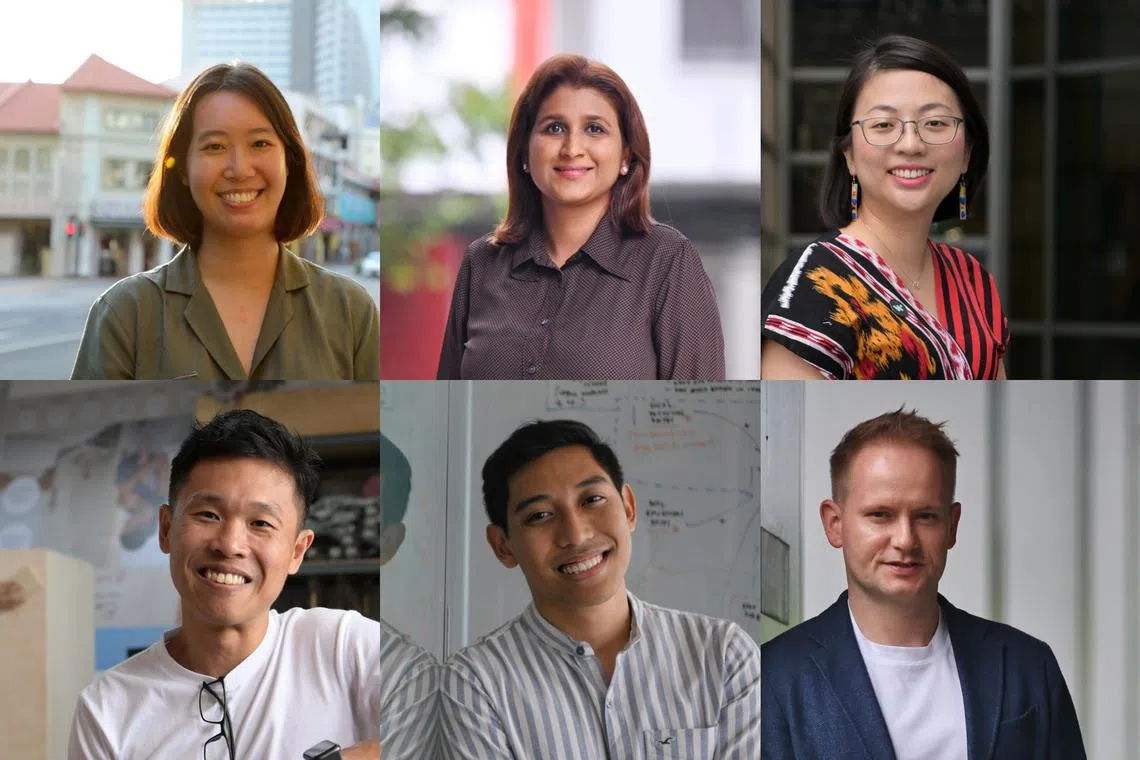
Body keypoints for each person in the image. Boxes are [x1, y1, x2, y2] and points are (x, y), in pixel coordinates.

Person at [67, 409, 435, 759]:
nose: (229, 544)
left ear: (296, 551)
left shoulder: (342, 646)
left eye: (261, 523)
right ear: (166, 529)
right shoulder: (107, 709)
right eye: (208, 515)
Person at [761, 409, 1085, 759]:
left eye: (925, 516)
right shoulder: (773, 676)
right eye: (880, 515)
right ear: (835, 523)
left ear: (952, 525)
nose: (905, 539)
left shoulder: (1028, 665)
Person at [440, 420, 759, 758]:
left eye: (592, 499)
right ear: (503, 546)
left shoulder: (723, 654)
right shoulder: (474, 684)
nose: (576, 535)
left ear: (629, 508)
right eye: (540, 516)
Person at [71, 62, 379, 381]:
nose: (239, 169)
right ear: (182, 169)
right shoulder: (125, 313)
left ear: (290, 160)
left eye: (260, 143)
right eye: (214, 146)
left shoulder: (351, 311)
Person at [436, 54, 725, 380]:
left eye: (594, 129)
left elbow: (699, 414)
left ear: (626, 156)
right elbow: (446, 406)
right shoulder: (482, 262)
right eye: (554, 128)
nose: (572, 148)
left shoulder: (667, 260)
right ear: (525, 152)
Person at [761, 36, 1008, 380]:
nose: (910, 144)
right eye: (883, 125)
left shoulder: (973, 280)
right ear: (849, 156)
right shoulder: (815, 285)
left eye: (935, 123)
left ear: (967, 152)